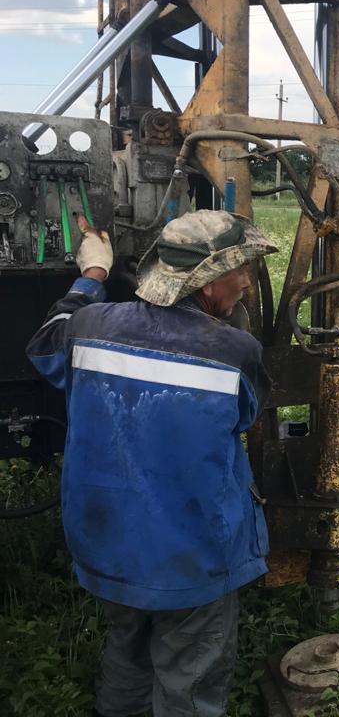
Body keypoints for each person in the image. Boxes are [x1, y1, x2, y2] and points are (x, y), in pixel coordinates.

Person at [26, 210, 278, 717]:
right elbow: (247, 414)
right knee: (190, 675)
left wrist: (93, 274)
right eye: (241, 270)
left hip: (107, 545)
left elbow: (44, 341)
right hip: (190, 554)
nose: (248, 283)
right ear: (206, 280)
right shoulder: (235, 351)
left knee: (128, 646)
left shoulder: (89, 326)